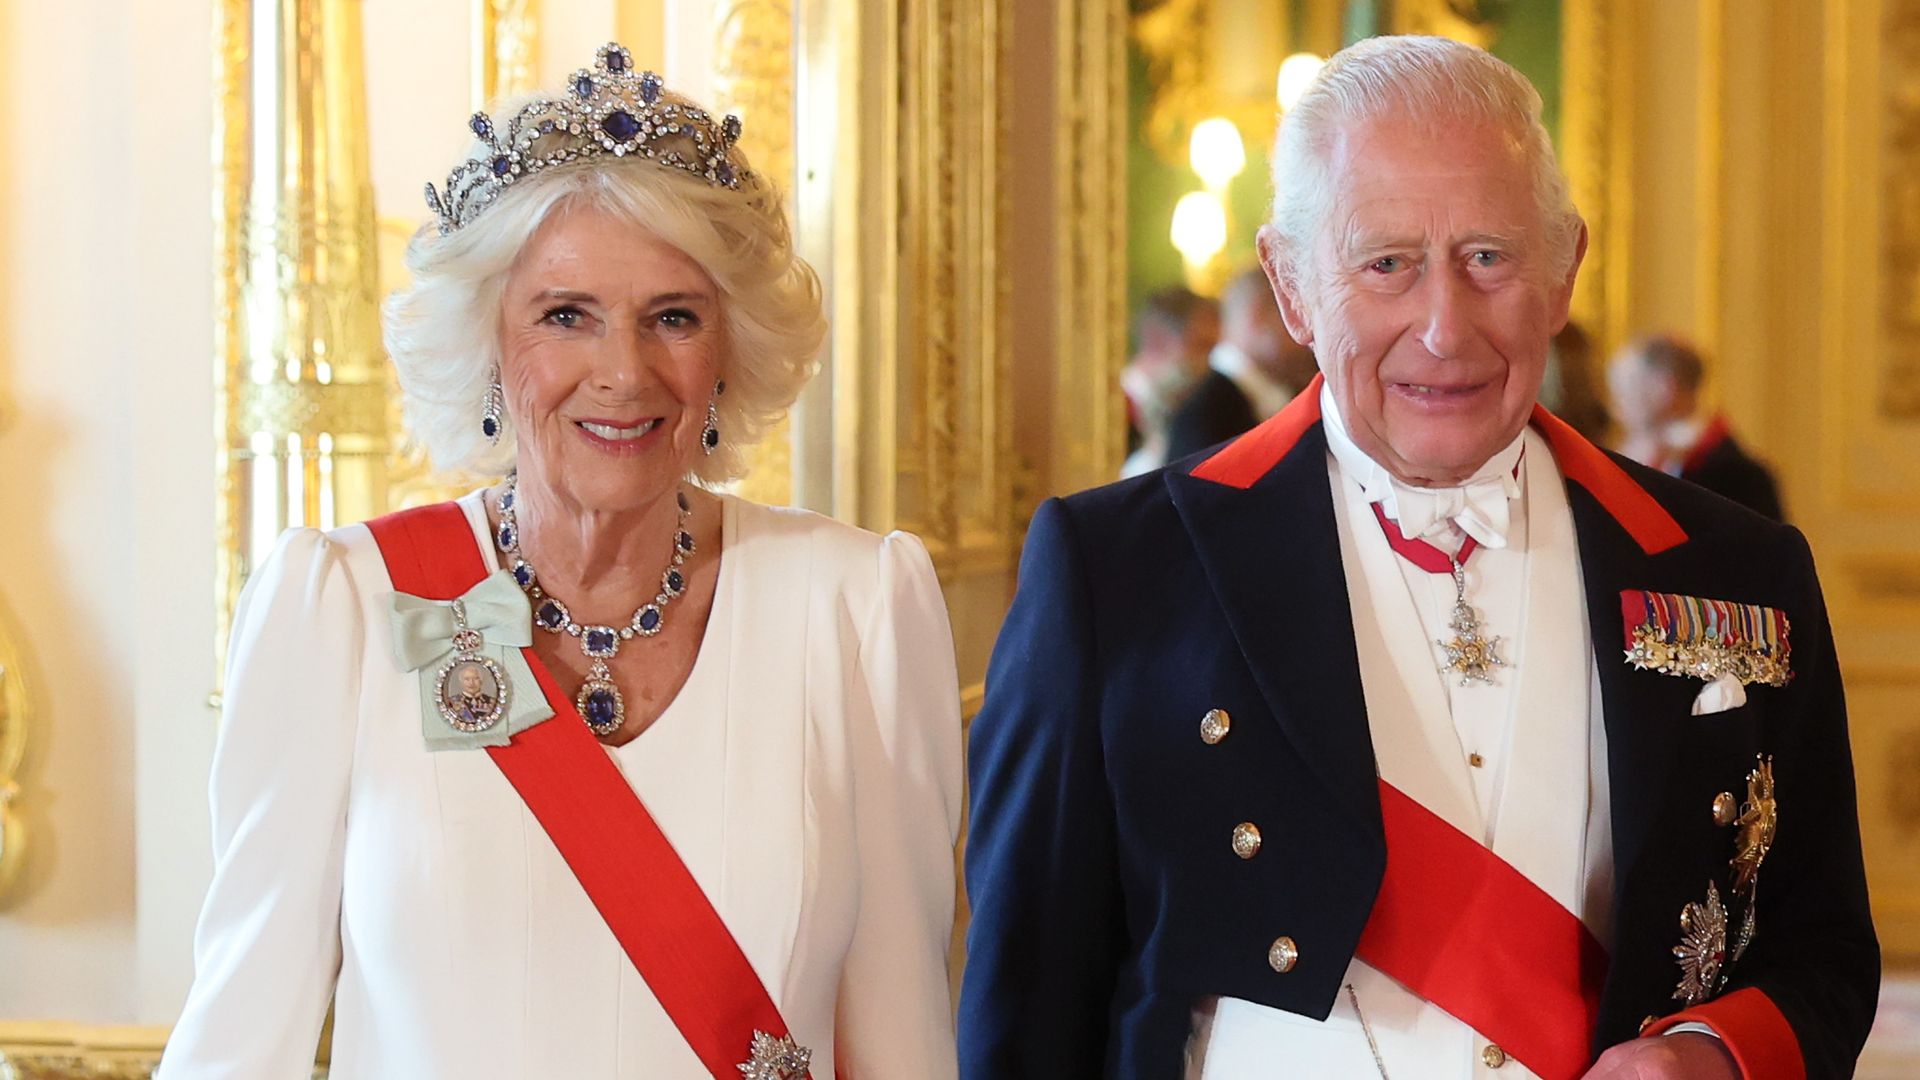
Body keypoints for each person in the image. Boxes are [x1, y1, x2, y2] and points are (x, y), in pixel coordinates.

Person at [961, 35, 1875, 1080]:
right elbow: (1028, 1009)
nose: (1445, 327)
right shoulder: (1116, 574)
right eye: (1387, 263)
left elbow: (1827, 952)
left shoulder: (1734, 574)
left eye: (1489, 256)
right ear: (1293, 286)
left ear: (1564, 269)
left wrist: (1713, 1056)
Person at [160, 43, 962, 1080]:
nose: (623, 374)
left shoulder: (856, 608)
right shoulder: (349, 610)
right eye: (565, 316)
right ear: (490, 342)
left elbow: (904, 1041)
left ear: (730, 351)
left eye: (673, 318)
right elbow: (241, 1036)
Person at [1609, 334, 1785, 521]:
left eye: (1626, 390)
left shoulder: (1741, 476)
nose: (1617, 407)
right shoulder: (1640, 455)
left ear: (1665, 387)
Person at [1166, 267, 1315, 460]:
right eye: (1299, 313)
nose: (1310, 331)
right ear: (1258, 314)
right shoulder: (1204, 415)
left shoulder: (1271, 393)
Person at [1120, 288, 1222, 478]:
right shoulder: (1116, 413)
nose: (1210, 362)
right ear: (1156, 339)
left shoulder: (1207, 408)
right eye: (1202, 346)